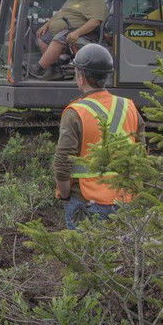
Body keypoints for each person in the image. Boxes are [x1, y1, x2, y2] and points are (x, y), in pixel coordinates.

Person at [53, 43, 142, 228]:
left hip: (87, 201)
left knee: (84, 256)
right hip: (125, 200)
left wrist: (65, 193)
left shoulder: (75, 112)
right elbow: (141, 153)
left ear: (81, 76)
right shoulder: (129, 107)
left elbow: (63, 162)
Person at [35, 0, 107, 77]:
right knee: (41, 38)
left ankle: (39, 68)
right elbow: (61, 13)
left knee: (60, 38)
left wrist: (77, 33)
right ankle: (54, 70)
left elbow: (95, 22)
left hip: (81, 33)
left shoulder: (96, 1)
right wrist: (46, 25)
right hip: (63, 30)